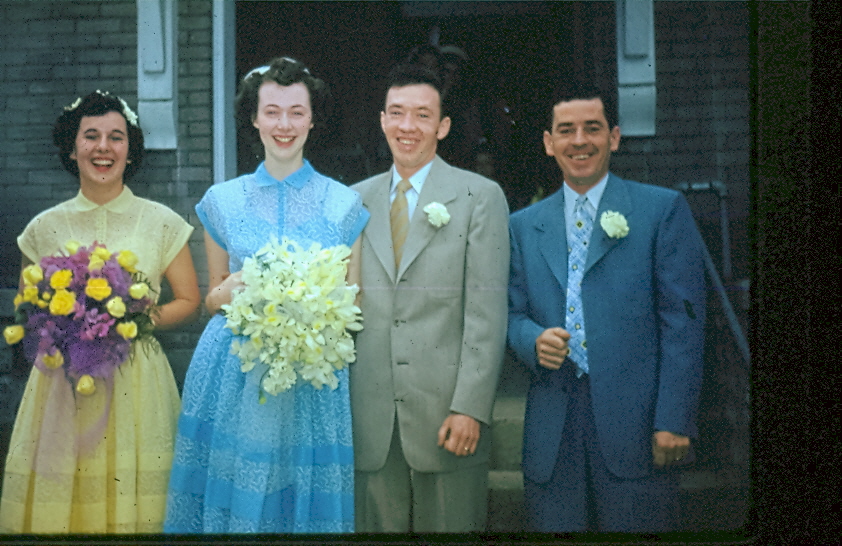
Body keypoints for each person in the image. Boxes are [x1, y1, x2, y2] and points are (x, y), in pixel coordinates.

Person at [164, 57, 368, 533]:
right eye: (271, 112)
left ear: (313, 119)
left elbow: (353, 303)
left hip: (310, 377)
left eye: (297, 112)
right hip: (233, 371)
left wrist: (312, 309)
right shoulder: (222, 200)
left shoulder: (345, 204)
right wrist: (236, 288)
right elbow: (211, 299)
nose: (284, 125)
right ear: (253, 119)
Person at [507, 81, 707, 532]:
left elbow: (684, 324)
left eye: (592, 128)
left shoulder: (660, 210)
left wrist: (674, 419)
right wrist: (530, 339)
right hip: (553, 431)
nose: (579, 141)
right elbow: (509, 314)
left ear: (614, 137)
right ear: (548, 142)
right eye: (566, 130)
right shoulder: (522, 225)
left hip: (639, 427)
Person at [0, 90, 200, 533]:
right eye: (90, 136)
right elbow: (27, 313)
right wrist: (63, 328)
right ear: (72, 149)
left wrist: (130, 323)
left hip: (137, 379)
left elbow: (188, 300)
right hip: (63, 383)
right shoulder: (43, 227)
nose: (103, 147)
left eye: (116, 137)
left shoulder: (162, 221)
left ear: (130, 150)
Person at [350, 64, 509, 532]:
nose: (408, 126)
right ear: (382, 120)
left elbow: (486, 313)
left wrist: (470, 407)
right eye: (397, 113)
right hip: (371, 418)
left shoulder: (479, 196)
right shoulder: (352, 201)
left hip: (447, 413)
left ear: (443, 126)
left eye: (422, 115)